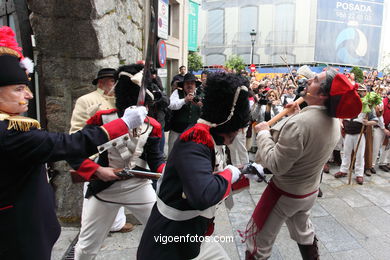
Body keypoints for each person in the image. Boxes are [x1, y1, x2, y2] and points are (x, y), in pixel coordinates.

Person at [0, 26, 146, 260]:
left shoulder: (12, 123)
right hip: (19, 232)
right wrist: (121, 126)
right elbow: (71, 141)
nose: (28, 95)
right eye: (19, 89)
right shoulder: (9, 131)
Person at [242, 69, 362, 259]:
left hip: (285, 192)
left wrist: (264, 133)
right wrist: (296, 115)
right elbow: (304, 139)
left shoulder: (301, 124)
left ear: (323, 94)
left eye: (315, 80)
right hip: (308, 191)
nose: (308, 81)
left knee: (257, 241)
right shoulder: (333, 121)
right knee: (303, 232)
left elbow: (276, 164)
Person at [137, 72, 251, 260]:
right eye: (237, 125)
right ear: (228, 119)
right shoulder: (196, 139)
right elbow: (203, 194)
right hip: (171, 241)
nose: (239, 130)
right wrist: (231, 172)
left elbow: (212, 178)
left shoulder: (211, 137)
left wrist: (244, 173)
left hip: (196, 235)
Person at [74, 63, 166, 260]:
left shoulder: (154, 126)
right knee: (86, 247)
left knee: (163, 235)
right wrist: (96, 170)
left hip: (138, 186)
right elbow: (76, 149)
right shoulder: (102, 118)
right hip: (104, 188)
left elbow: (155, 158)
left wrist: (166, 170)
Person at [70, 68, 134, 233]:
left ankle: (116, 224)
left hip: (119, 151)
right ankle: (89, 229)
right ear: (101, 82)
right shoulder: (86, 100)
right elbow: (76, 130)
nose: (115, 85)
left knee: (118, 187)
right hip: (96, 153)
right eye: (113, 81)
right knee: (92, 194)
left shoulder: (122, 100)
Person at [334, 85, 378, 185]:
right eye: (357, 91)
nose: (358, 93)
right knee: (346, 153)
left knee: (359, 155)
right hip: (348, 133)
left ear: (364, 93)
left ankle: (359, 174)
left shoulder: (368, 105)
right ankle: (344, 170)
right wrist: (341, 122)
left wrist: (367, 123)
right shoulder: (348, 103)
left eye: (361, 92)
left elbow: (375, 120)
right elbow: (342, 115)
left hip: (359, 134)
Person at [167, 73, 202, 154]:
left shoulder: (200, 94)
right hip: (177, 131)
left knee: (191, 155)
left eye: (192, 83)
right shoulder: (177, 93)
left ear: (195, 85)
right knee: (173, 154)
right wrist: (184, 100)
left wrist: (202, 106)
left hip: (194, 133)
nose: (190, 85)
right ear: (183, 85)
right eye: (187, 83)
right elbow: (171, 105)